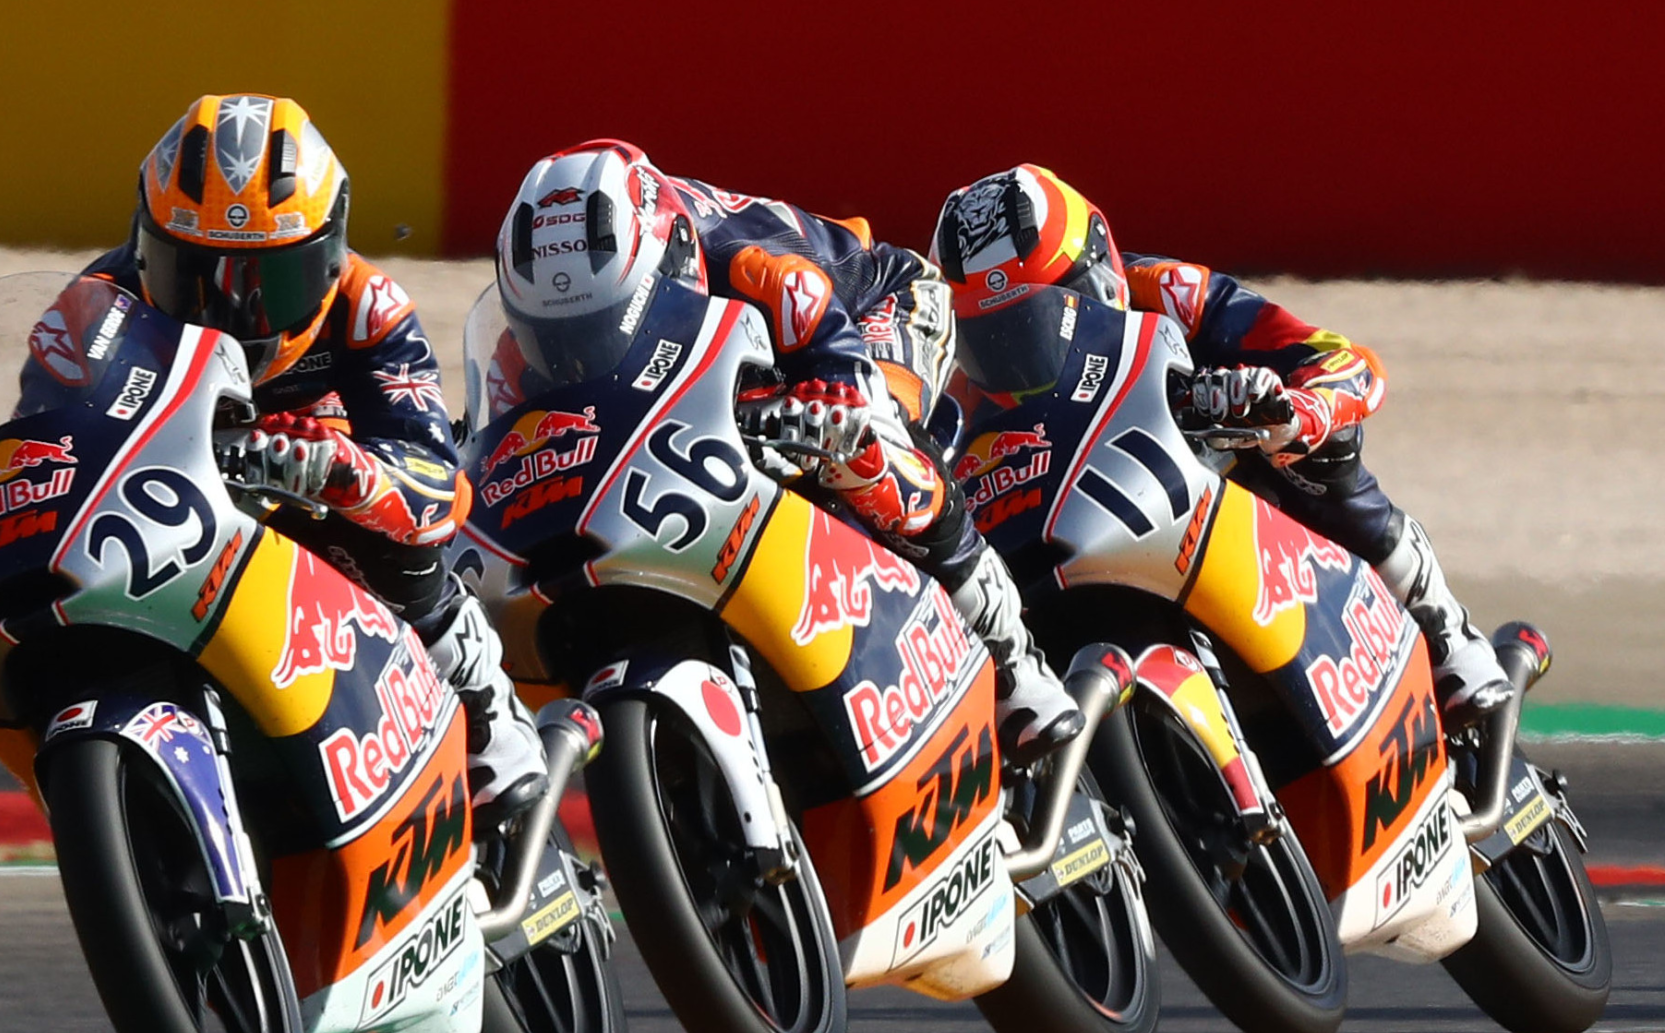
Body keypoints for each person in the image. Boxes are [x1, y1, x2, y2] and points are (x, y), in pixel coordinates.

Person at [492, 139, 1082, 760]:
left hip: (872, 308)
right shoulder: (523, 337)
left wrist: (831, 403)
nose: (577, 358)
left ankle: (1013, 661)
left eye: (597, 330)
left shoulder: (752, 265)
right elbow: (496, 434)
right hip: (748, 362)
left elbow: (840, 369)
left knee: (865, 444)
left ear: (668, 265)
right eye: (554, 340)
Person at [86, 93, 546, 818]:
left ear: (328, 258)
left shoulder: (370, 307)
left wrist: (344, 471)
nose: (230, 314)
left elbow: (439, 489)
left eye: (271, 283)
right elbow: (43, 441)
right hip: (174, 508)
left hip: (320, 500)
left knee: (402, 547)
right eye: (192, 276)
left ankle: (485, 713)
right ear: (145, 247)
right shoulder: (97, 307)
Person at [930, 164, 1512, 725]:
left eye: (1035, 324)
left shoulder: (1169, 292)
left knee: (1321, 450)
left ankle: (1442, 629)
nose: (1013, 357)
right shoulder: (948, 388)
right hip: (1068, 531)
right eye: (987, 339)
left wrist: (1296, 412)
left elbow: (1344, 361)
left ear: (1098, 273)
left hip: (1212, 485)